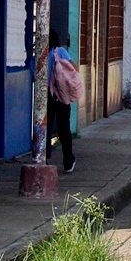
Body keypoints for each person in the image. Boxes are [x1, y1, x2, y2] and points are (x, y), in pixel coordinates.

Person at [47, 30, 78, 173]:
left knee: (44, 126)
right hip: (62, 93)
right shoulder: (61, 52)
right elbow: (74, 69)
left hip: (46, 94)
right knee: (63, 128)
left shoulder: (39, 55)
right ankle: (68, 160)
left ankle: (44, 156)